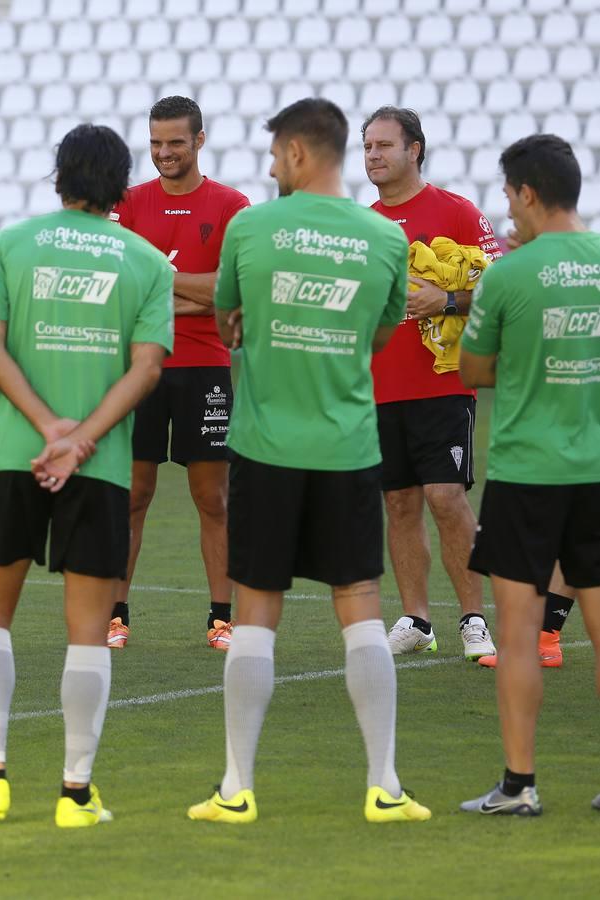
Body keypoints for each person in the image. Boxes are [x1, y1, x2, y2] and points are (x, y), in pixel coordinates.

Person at [187, 99, 428, 825]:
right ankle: (383, 785)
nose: (268, 169)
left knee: (256, 613)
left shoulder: (250, 226)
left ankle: (235, 788)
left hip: (264, 448)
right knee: (358, 609)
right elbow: (381, 335)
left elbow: (226, 315)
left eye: (272, 156)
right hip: (349, 446)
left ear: (295, 153)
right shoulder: (383, 238)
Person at [0, 124, 172, 829]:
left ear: (58, 176)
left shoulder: (14, 242)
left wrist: (45, 428)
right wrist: (79, 439)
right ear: (121, 185)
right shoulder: (146, 261)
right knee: (88, 632)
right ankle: (75, 793)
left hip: (15, 452)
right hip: (96, 464)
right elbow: (147, 366)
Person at [457, 134, 600, 817]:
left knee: (517, 634)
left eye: (510, 196)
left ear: (529, 193)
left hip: (525, 472)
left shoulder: (506, 275)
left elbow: (473, 371)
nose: (507, 209)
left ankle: (518, 785)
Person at [109, 96, 249, 651]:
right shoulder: (128, 203)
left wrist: (162, 293)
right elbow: (121, 292)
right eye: (156, 142)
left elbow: (231, 293)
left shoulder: (231, 204)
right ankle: (116, 616)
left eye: (175, 142)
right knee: (132, 495)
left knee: (212, 498)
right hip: (141, 367)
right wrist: (197, 292)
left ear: (199, 141)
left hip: (206, 369)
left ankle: (221, 618)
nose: (164, 153)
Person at [362, 106, 500, 660]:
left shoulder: (458, 212)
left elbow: (499, 288)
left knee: (445, 497)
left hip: (443, 384)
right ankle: (416, 620)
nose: (373, 156)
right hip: (377, 388)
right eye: (367, 147)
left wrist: (444, 299)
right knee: (398, 505)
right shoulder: (362, 224)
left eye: (384, 146)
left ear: (414, 149)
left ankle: (473, 618)